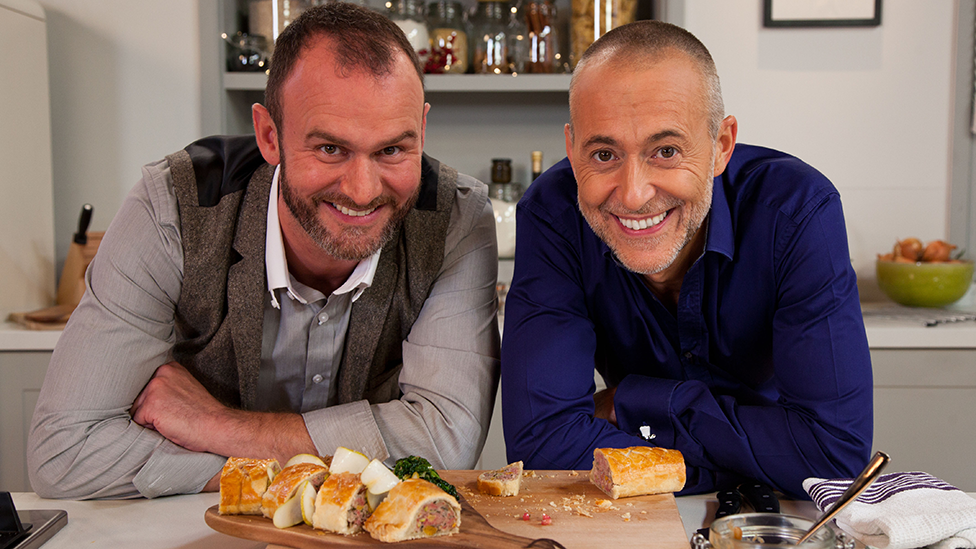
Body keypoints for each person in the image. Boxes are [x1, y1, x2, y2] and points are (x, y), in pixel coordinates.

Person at [28, 3, 500, 500]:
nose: (362, 191)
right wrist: (299, 467)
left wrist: (217, 427)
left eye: (392, 151)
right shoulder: (174, 205)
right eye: (330, 149)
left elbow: (447, 444)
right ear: (269, 135)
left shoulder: (456, 218)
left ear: (422, 131)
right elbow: (65, 452)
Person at [500, 20, 872, 498]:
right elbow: (545, 442)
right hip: (683, 510)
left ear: (721, 145)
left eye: (667, 151)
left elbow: (832, 456)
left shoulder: (797, 210)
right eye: (604, 154)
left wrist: (633, 401)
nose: (633, 195)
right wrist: (753, 466)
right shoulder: (553, 214)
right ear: (572, 152)